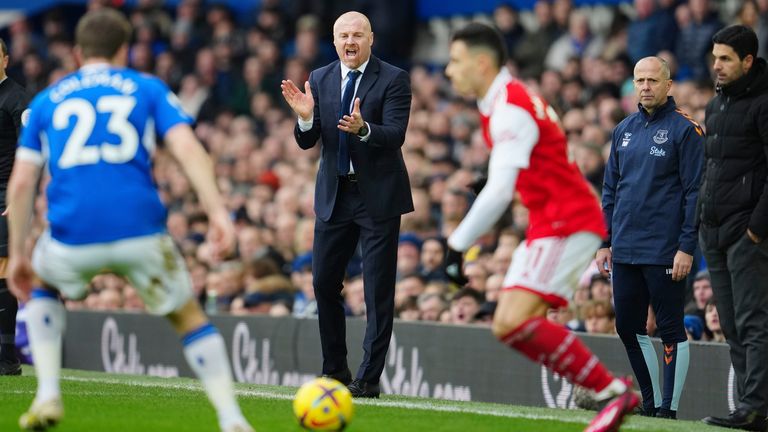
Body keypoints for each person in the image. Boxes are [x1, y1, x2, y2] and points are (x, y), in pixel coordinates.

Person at [6, 9, 253, 432]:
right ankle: (231, 419)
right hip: (140, 228)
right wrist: (217, 214)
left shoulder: (49, 97)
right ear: (124, 49)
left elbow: (23, 181)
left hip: (70, 233)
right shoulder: (147, 88)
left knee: (43, 286)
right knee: (189, 318)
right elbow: (189, 150)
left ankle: (48, 394)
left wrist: (16, 253)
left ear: (78, 53)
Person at [442, 22, 638, 432]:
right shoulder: (506, 100)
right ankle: (609, 392)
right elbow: (538, 155)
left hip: (566, 221)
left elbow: (499, 191)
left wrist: (456, 244)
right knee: (506, 325)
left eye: (455, 61)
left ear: (481, 63)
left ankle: (609, 392)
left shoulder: (509, 106)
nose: (448, 70)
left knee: (513, 321)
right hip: (550, 221)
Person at [280, 11, 412, 398]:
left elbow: (396, 134)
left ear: (371, 38)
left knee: (377, 290)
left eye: (357, 34)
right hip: (335, 195)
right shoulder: (320, 78)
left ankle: (368, 379)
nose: (350, 41)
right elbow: (308, 141)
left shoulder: (394, 78)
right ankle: (335, 370)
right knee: (322, 283)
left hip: (377, 198)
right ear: (334, 41)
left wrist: (364, 129)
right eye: (343, 35)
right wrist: (306, 119)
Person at [596, 56, 704, 419]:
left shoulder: (686, 130)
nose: (645, 86)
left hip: (664, 249)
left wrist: (686, 247)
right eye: (639, 80)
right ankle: (652, 401)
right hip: (625, 247)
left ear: (668, 85)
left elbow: (694, 194)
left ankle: (669, 411)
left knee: (671, 328)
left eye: (652, 80)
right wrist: (604, 240)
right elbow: (610, 188)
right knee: (627, 326)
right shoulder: (623, 129)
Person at [698, 25, 768, 431]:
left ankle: (755, 406)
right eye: (714, 57)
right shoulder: (717, 104)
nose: (717, 65)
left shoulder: (763, 104)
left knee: (754, 319)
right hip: (716, 230)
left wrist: (756, 228)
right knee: (731, 322)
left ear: (747, 61)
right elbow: (714, 169)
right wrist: (703, 220)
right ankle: (750, 405)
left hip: (748, 232)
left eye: (725, 58)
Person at [0, 37, 29, 376]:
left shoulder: (16, 97)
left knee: (4, 273)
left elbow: (30, 145)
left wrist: (19, 193)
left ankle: (6, 354)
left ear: (6, 59)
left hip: (5, 196)